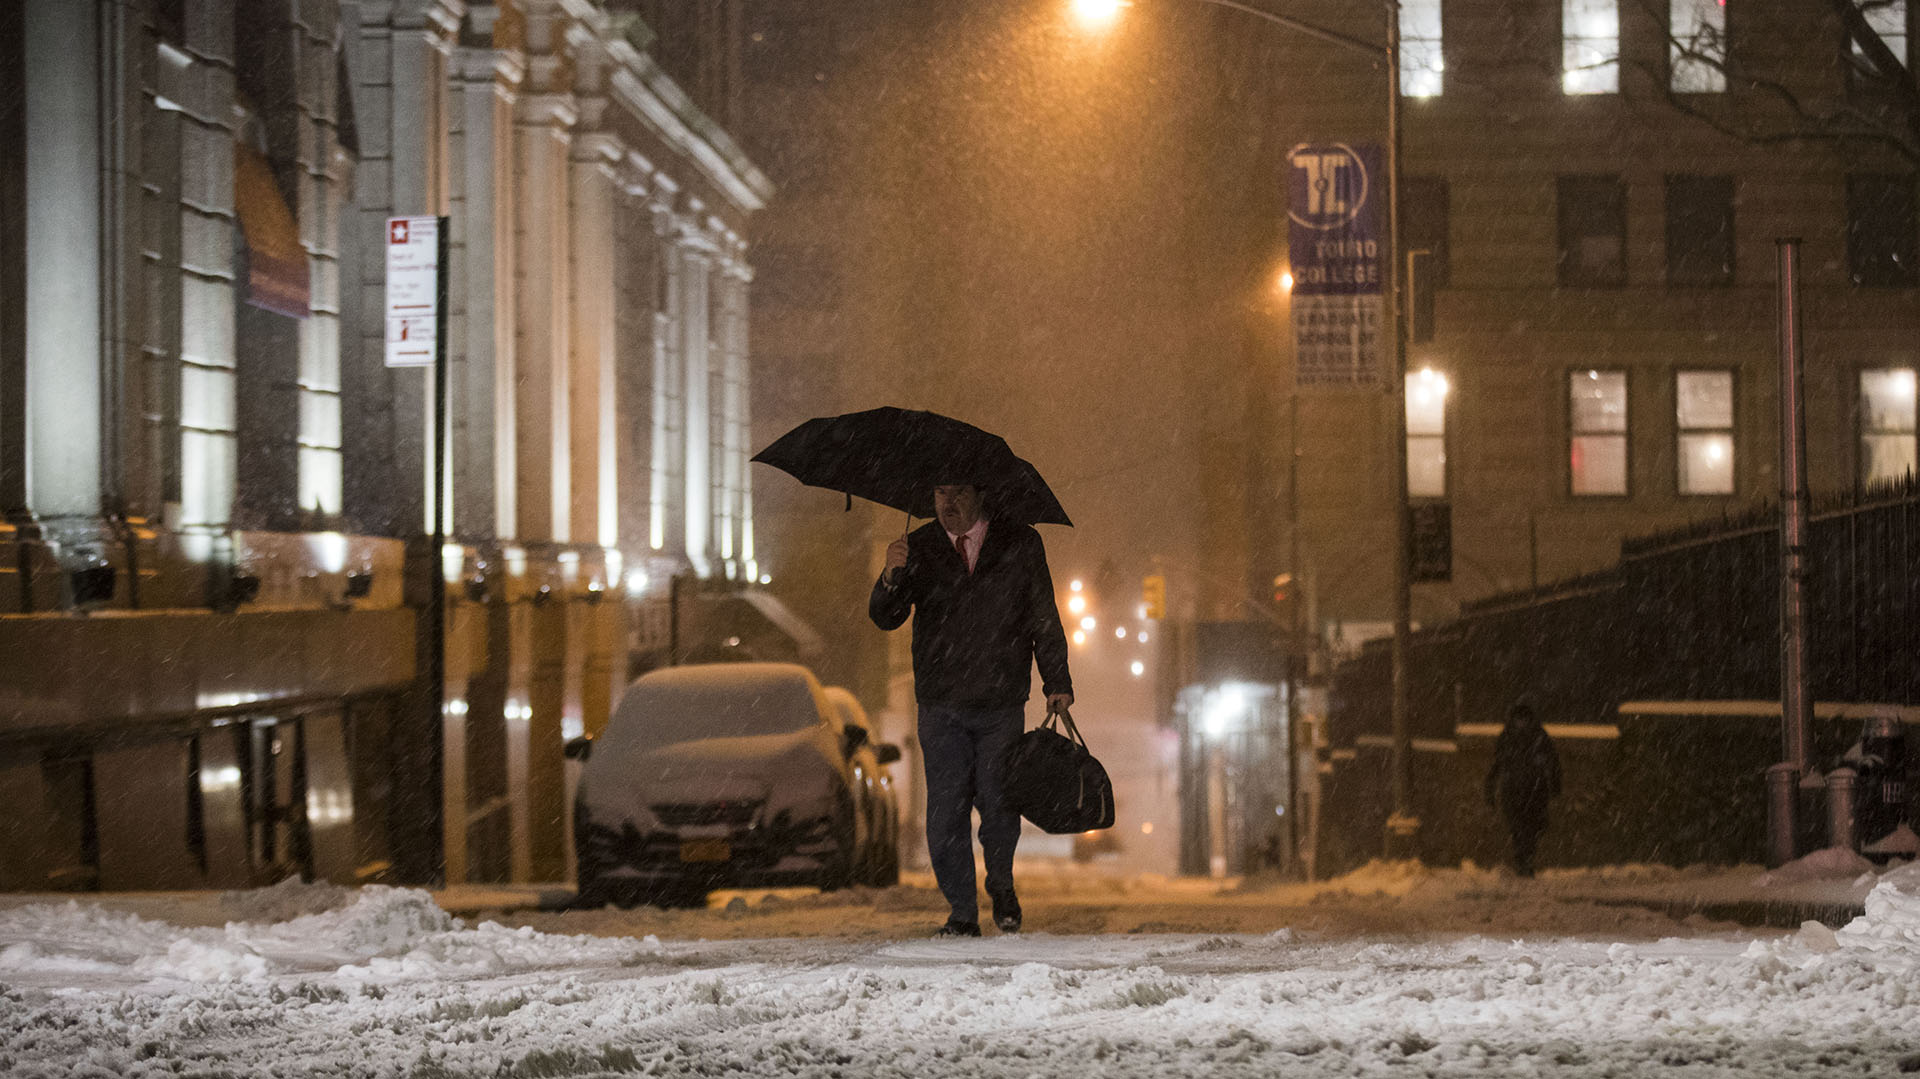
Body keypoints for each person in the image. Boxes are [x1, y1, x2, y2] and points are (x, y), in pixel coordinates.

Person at [869, 482, 1073, 937]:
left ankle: (1001, 882)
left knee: (999, 804)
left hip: (1001, 702)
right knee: (945, 813)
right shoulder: (918, 547)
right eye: (940, 493)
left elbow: (1043, 614)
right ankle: (962, 911)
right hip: (941, 704)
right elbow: (886, 617)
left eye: (958, 492)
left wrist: (1057, 681)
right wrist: (890, 576)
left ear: (981, 494)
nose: (948, 503)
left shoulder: (1020, 543)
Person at [1483, 701, 1561, 877]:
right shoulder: (1508, 738)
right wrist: (1490, 788)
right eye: (1519, 719)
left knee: (1533, 827)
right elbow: (1497, 763)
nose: (1521, 723)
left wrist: (1555, 785)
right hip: (1513, 789)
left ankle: (1526, 859)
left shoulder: (1538, 737)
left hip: (1535, 790)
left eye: (1524, 719)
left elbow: (1553, 762)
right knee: (1518, 828)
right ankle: (1524, 862)